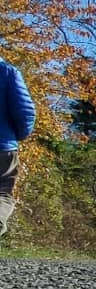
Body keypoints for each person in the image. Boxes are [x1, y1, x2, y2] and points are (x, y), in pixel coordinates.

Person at [0, 55, 37, 240]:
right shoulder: (7, 72)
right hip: (3, 147)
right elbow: (25, 112)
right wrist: (19, 135)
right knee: (2, 192)